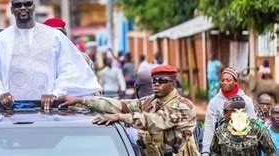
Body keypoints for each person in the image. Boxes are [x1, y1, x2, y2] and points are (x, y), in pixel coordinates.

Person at [0, 0, 101, 110]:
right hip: (9, 114)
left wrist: (55, 94)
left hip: (50, 112)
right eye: (17, 5)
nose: (23, 8)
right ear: (11, 10)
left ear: (33, 6)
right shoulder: (1, 40)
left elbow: (69, 70)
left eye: (27, 4)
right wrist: (0, 94)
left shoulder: (54, 36)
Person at [61, 65, 199, 155]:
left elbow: (154, 121)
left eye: (162, 81)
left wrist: (120, 117)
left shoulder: (183, 106)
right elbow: (120, 105)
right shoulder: (150, 101)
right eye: (154, 81)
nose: (156, 84)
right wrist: (82, 100)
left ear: (173, 84)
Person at [202, 67, 256, 155]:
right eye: (223, 80)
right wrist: (205, 152)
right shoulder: (214, 103)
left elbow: (253, 125)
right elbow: (209, 128)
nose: (225, 82)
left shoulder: (246, 101)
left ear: (235, 82)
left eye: (228, 80)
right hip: (220, 150)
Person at [210, 96, 276, 156]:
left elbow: (271, 151)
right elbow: (214, 152)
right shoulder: (221, 129)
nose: (223, 113)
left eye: (226, 111)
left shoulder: (256, 128)